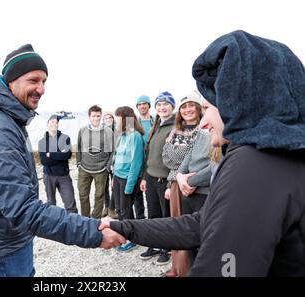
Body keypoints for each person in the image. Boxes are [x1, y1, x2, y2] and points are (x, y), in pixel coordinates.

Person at [100, 30, 305, 276]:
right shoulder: (283, 154)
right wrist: (125, 228)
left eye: (208, 107)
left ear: (240, 102)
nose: (204, 121)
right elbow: (201, 224)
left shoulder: (255, 163)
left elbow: (225, 267)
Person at [0, 44, 126, 277]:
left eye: (44, 82)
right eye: (33, 80)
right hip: (5, 242)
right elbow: (22, 209)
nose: (41, 89)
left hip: (9, 236)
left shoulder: (5, 119)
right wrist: (94, 233)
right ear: (12, 81)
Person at [138, 92, 176, 263]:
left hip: (164, 180)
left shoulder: (176, 126)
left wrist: (170, 184)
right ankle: (154, 244)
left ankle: (166, 248)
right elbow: (150, 155)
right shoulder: (156, 125)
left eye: (165, 104)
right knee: (152, 215)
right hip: (151, 178)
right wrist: (145, 177)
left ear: (172, 107)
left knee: (165, 216)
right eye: (159, 104)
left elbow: (177, 159)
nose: (162, 107)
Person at [112, 106, 145, 252]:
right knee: (119, 209)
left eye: (118, 117)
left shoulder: (135, 136)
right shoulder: (122, 135)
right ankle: (122, 235)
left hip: (128, 179)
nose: (116, 120)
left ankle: (132, 239)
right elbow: (117, 158)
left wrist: (129, 186)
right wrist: (114, 178)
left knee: (126, 211)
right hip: (118, 177)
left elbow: (136, 163)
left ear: (125, 119)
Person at [76, 105, 114, 219]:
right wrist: (78, 162)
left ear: (101, 116)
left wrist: (108, 167)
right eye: (93, 116)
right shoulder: (83, 130)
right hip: (84, 168)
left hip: (101, 169)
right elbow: (78, 147)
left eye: (98, 116)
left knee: (99, 196)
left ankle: (95, 219)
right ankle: (85, 218)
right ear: (89, 116)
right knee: (83, 195)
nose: (96, 118)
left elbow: (113, 151)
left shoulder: (107, 131)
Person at [38, 114, 78, 213]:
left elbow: (67, 155)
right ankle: (53, 225)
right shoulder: (42, 142)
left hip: (64, 175)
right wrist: (60, 154)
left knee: (70, 203)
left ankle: (73, 225)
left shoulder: (65, 138)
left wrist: (50, 155)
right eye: (52, 122)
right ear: (47, 124)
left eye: (56, 122)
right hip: (49, 175)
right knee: (51, 203)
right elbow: (44, 161)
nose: (54, 124)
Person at [102, 111, 118, 219]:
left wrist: (111, 163)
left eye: (110, 117)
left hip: (114, 163)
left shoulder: (118, 131)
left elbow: (117, 149)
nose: (108, 119)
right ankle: (106, 206)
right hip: (102, 163)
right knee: (104, 186)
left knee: (114, 186)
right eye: (106, 118)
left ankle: (112, 208)